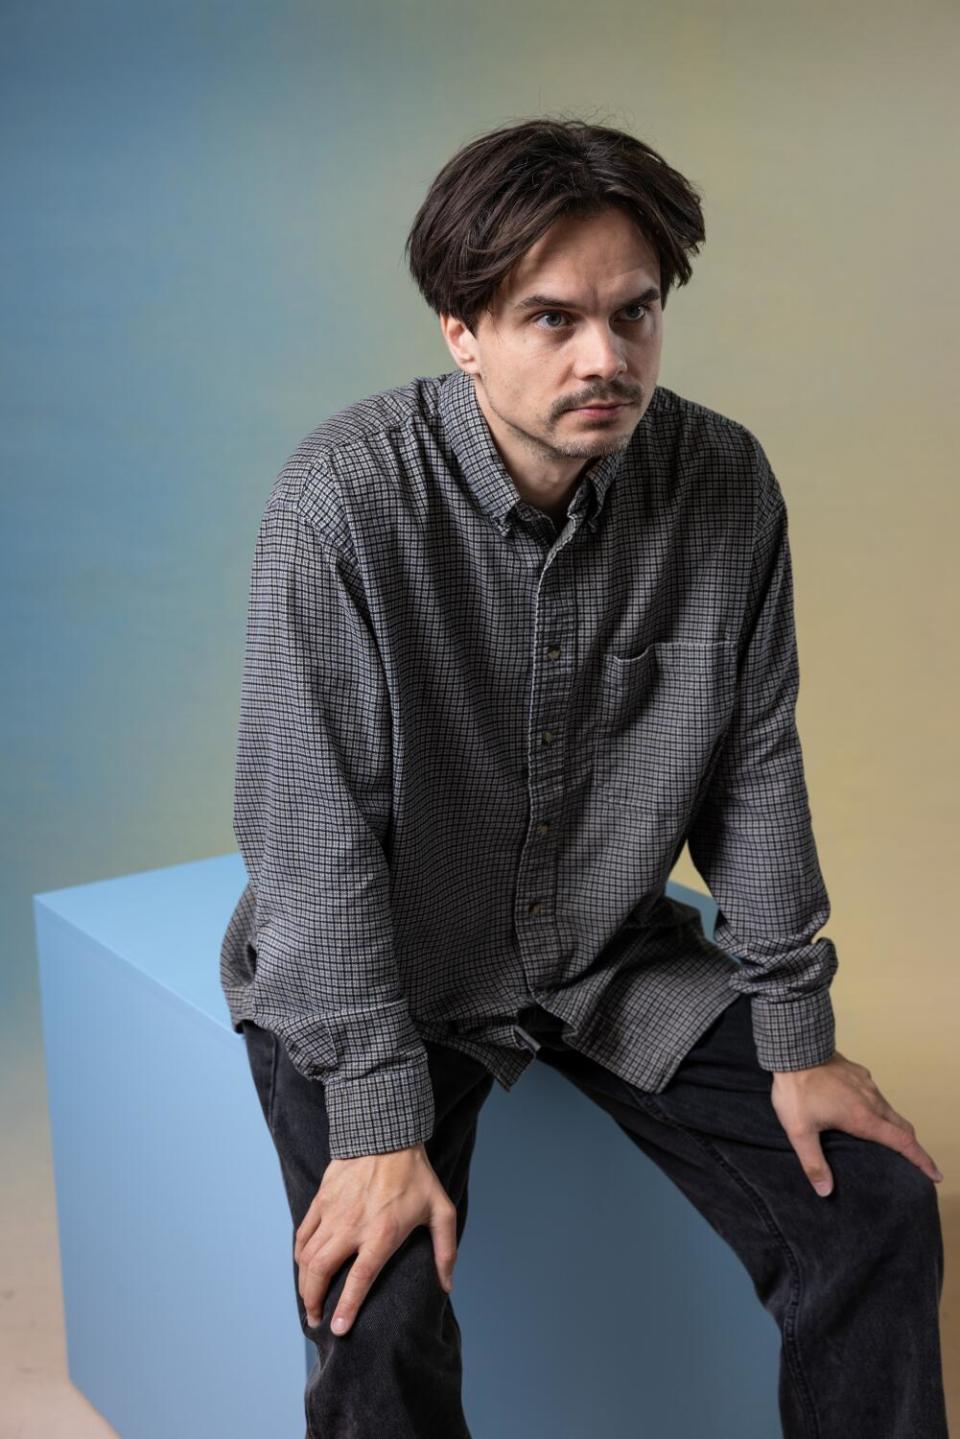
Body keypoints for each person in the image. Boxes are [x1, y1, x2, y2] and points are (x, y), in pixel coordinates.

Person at [219, 116, 948, 1438]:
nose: (605, 359)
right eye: (551, 319)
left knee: (876, 1208)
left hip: (610, 954)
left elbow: (755, 762)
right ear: (461, 325)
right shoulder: (339, 505)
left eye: (635, 313)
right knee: (372, 1305)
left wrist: (797, 1034)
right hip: (394, 972)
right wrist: (378, 1124)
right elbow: (310, 841)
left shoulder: (721, 482)